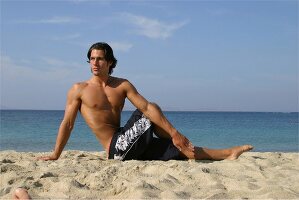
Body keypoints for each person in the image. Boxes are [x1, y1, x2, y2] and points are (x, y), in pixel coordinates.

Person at [39, 42, 253, 161]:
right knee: (150, 113)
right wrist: (56, 154)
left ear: (110, 62)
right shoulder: (79, 89)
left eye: (100, 58)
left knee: (179, 149)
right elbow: (67, 124)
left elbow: (146, 106)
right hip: (115, 149)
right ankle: (175, 136)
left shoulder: (122, 85)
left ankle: (229, 153)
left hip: (129, 141)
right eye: (92, 59)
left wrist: (174, 135)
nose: (95, 63)